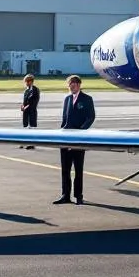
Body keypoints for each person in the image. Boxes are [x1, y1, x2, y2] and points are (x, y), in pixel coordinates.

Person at [55, 74, 95, 205]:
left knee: (78, 169)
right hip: (65, 139)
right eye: (69, 85)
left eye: (73, 84)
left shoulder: (87, 99)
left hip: (78, 139)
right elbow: (64, 119)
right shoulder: (67, 99)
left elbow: (91, 117)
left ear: (78, 85)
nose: (71, 87)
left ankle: (79, 196)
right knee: (65, 169)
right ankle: (65, 195)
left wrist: (80, 132)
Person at [19, 73, 40, 149]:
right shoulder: (26, 90)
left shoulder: (35, 90)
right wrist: (22, 106)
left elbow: (34, 102)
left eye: (27, 81)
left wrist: (26, 107)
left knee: (31, 127)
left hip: (32, 111)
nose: (26, 83)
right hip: (25, 111)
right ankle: (25, 142)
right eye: (25, 82)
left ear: (31, 81)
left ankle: (32, 143)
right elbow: (25, 101)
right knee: (25, 126)